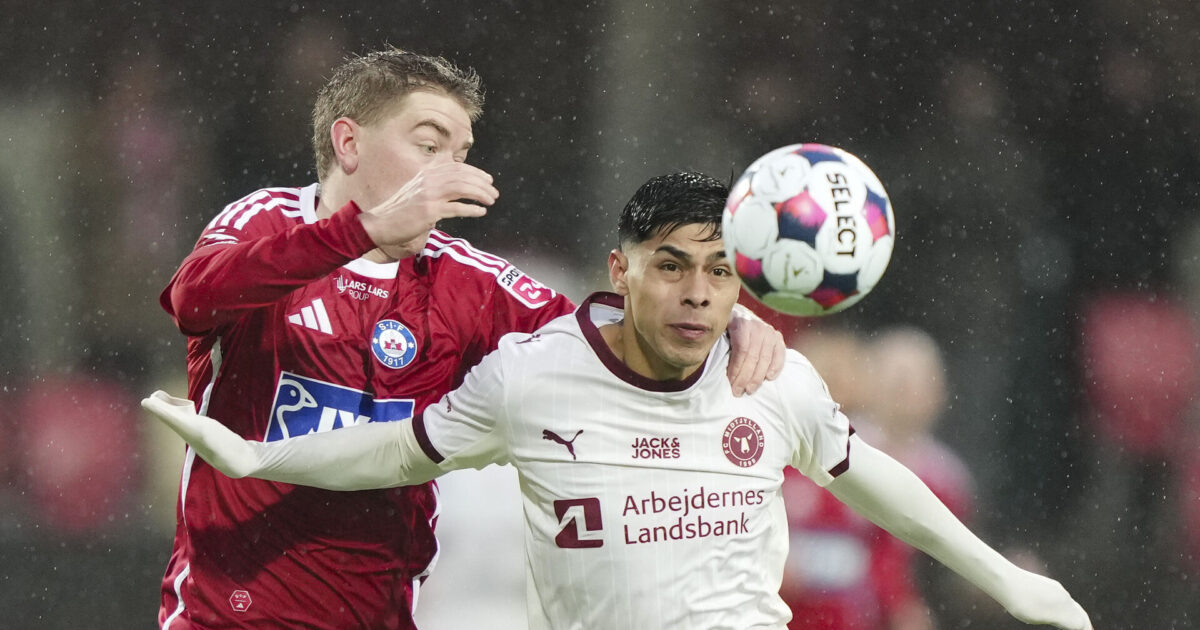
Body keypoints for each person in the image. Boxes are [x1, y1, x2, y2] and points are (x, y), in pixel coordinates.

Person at [146, 171, 1093, 630]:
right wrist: (260, 458)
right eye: (670, 267)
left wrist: (1006, 581)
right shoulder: (532, 377)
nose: (694, 292)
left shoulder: (770, 382)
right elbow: (396, 450)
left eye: (717, 273)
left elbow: (873, 478)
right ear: (622, 271)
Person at [155, 49, 784, 629]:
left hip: (380, 612)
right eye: (429, 145)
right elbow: (193, 299)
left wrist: (715, 318)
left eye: (460, 154)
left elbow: (610, 340)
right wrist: (365, 228)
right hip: (226, 609)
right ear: (348, 143)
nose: (450, 171)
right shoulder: (265, 221)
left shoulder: (466, 283)